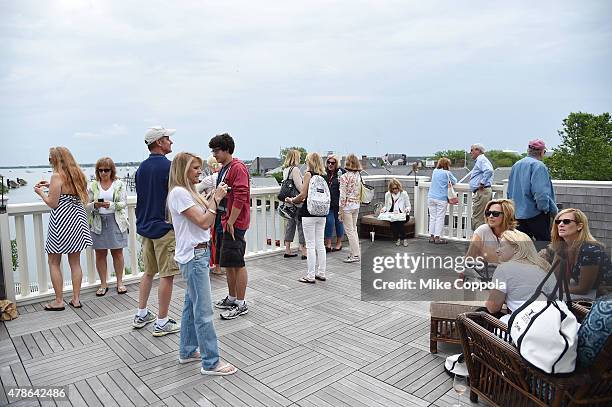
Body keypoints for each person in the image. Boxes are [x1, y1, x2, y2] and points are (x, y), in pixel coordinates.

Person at [167, 152, 237, 376]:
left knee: (190, 307)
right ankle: (211, 362)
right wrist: (215, 198)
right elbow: (205, 221)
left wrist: (212, 199)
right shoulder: (179, 193)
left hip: (197, 255)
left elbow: (203, 214)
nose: (200, 171)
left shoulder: (188, 191)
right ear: (183, 170)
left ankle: (187, 350)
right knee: (204, 312)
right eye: (195, 168)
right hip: (195, 256)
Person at [132, 126, 181, 337]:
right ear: (159, 142)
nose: (171, 142)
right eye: (168, 139)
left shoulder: (141, 169)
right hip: (163, 228)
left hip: (145, 227)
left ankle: (141, 313)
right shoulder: (170, 168)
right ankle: (162, 322)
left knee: (149, 272)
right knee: (167, 275)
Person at [34, 146, 92, 311]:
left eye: (50, 157)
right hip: (77, 220)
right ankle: (76, 299)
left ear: (56, 159)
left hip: (62, 222)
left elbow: (53, 203)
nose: (49, 160)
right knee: (75, 262)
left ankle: (59, 301)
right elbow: (71, 194)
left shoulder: (56, 176)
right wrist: (50, 186)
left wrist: (40, 192)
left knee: (53, 261)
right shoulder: (79, 175)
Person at [210, 133, 251, 320]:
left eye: (216, 150)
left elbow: (242, 196)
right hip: (225, 220)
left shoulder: (237, 168)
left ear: (226, 149)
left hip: (235, 222)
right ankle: (233, 297)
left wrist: (232, 222)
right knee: (229, 262)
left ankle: (241, 303)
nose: (214, 154)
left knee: (237, 261)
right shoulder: (225, 169)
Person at [486, 229, 556, 324]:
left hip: (527, 327)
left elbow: (493, 308)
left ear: (516, 248)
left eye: (501, 246)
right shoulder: (544, 266)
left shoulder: (504, 269)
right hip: (555, 320)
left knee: (481, 313)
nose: (497, 250)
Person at [540, 208, 612, 300]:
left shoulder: (590, 250)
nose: (561, 224)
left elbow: (583, 289)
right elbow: (559, 280)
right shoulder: (563, 247)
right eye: (558, 221)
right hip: (593, 294)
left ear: (579, 226)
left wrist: (556, 288)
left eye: (566, 221)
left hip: (605, 297)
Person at [87, 157, 129, 296]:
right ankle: (103, 284)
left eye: (106, 170)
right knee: (100, 253)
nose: (103, 173)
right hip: (98, 222)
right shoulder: (92, 185)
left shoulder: (119, 184)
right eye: (100, 170)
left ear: (112, 171)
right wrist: (95, 205)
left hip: (115, 221)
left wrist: (110, 205)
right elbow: (86, 205)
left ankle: (119, 282)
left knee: (117, 253)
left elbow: (123, 203)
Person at [507, 139, 558, 249]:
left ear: (528, 150)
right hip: (535, 214)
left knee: (522, 248)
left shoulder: (516, 165)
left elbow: (509, 191)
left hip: (517, 213)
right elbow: (540, 193)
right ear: (542, 152)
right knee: (544, 246)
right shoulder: (539, 166)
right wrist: (544, 209)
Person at [286, 152, 328, 282]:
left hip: (308, 213)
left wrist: (292, 200)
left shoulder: (308, 174)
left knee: (310, 245)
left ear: (309, 162)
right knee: (320, 243)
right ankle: (321, 273)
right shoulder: (323, 176)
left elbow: (303, 195)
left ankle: (310, 275)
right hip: (321, 213)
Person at [466, 199, 517, 265]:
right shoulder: (482, 230)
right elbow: (469, 258)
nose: (490, 216)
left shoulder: (515, 236)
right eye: (488, 213)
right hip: (484, 273)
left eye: (495, 214)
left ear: (506, 215)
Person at [196, 155, 223, 274]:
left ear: (211, 166)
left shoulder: (209, 179)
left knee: (214, 238)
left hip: (213, 212)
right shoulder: (223, 176)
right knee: (223, 238)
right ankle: (223, 265)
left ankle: (216, 266)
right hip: (225, 211)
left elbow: (195, 190)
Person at [281, 149, 307, 258]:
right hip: (296, 202)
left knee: (290, 226)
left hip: (288, 202)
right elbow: (300, 187)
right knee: (301, 225)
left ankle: (287, 250)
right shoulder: (295, 170)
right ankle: (304, 251)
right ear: (295, 157)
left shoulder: (285, 170)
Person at [427, 158, 457, 244]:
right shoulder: (447, 173)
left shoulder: (435, 171)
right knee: (440, 218)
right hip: (441, 198)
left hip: (431, 197)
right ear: (447, 165)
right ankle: (437, 238)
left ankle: (431, 237)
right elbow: (454, 181)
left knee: (433, 217)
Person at [339, 154, 362, 263]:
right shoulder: (358, 175)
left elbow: (342, 196)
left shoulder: (344, 177)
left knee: (349, 231)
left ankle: (356, 255)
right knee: (354, 229)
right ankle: (354, 253)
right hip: (356, 204)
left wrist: (340, 210)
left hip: (347, 206)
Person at [469, 143, 494, 231]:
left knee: (478, 218)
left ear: (478, 150)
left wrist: (482, 183)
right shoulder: (481, 160)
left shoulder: (481, 159)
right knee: (481, 217)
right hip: (482, 192)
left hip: (482, 192)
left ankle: (478, 241)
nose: (470, 152)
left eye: (472, 150)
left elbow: (489, 171)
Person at [380, 178, 411, 247]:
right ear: (391, 188)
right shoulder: (388, 194)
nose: (395, 190)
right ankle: (399, 238)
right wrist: (383, 209)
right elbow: (386, 206)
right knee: (394, 222)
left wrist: (407, 210)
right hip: (392, 215)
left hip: (403, 215)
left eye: (396, 188)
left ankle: (402, 238)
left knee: (399, 222)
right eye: (393, 189)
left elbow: (408, 206)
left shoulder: (404, 194)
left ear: (399, 187)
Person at [324, 154, 344, 252]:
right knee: (329, 222)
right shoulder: (325, 173)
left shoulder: (341, 172)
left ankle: (339, 243)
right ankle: (328, 243)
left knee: (339, 222)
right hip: (328, 203)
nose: (330, 164)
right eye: (328, 162)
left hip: (339, 202)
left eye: (333, 163)